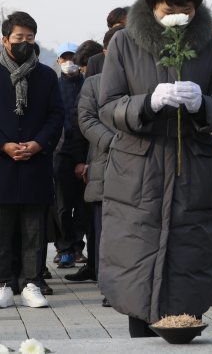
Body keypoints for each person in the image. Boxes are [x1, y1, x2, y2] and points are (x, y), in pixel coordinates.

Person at [98, 0, 212, 338]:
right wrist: (146, 103)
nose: (178, 16)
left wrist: (202, 104)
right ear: (151, 4)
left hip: (191, 170)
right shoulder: (125, 42)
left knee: (187, 267)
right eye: (169, 9)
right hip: (138, 176)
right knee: (138, 271)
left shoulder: (209, 45)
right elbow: (107, 106)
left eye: (186, 10)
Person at [0, 11, 65, 309]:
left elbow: (56, 115)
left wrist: (38, 144)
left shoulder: (46, 76)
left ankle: (31, 282)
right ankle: (2, 283)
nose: (24, 43)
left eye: (29, 38)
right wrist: (5, 145)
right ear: (5, 40)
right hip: (3, 163)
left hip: (36, 163)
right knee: (3, 228)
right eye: (18, 38)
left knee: (34, 230)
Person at [77, 29, 120, 307]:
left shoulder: (143, 80)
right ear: (105, 51)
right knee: (105, 232)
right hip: (105, 164)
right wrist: (115, 142)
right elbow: (86, 120)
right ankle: (109, 287)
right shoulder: (93, 84)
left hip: (140, 167)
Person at [62, 40, 103, 283]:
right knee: (88, 214)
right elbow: (80, 124)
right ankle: (93, 263)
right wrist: (80, 160)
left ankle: (99, 266)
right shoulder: (89, 84)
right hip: (86, 157)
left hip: (101, 158)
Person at [54, 42, 89, 270]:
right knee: (63, 205)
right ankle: (64, 248)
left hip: (85, 152)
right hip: (60, 153)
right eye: (65, 58)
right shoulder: (53, 86)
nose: (69, 63)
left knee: (84, 204)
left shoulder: (87, 85)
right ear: (58, 61)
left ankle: (77, 246)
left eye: (73, 58)